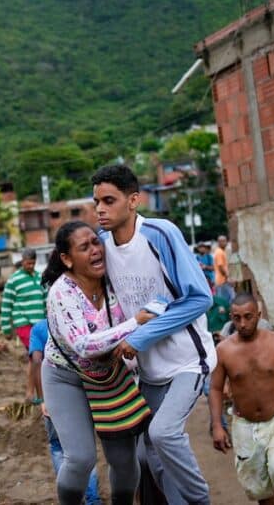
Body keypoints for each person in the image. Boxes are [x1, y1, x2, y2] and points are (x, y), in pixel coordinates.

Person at [92, 164, 216, 505]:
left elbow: (200, 297)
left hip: (188, 360)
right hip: (149, 369)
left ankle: (200, 500)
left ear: (134, 201)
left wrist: (141, 336)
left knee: (164, 434)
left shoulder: (160, 234)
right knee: (149, 455)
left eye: (109, 200)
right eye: (96, 202)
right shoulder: (101, 245)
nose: (100, 209)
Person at [40, 220, 156, 505]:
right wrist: (135, 322)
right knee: (81, 459)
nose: (95, 250)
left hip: (111, 376)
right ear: (67, 259)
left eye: (96, 242)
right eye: (84, 247)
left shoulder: (114, 280)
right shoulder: (61, 293)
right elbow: (83, 345)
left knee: (126, 463)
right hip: (65, 377)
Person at [210, 293, 274, 505]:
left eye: (248, 317)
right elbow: (216, 388)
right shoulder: (224, 350)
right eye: (237, 318)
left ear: (258, 315)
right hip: (244, 426)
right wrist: (217, 425)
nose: (242, 323)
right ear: (231, 317)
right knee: (260, 489)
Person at [28, 319, 102, 505]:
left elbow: (37, 360)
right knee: (85, 449)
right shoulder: (81, 323)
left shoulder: (39, 328)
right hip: (83, 392)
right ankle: (93, 499)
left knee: (59, 448)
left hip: (54, 393)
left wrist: (42, 398)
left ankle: (72, 499)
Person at [0, 248, 46, 400]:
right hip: (24, 323)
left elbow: (46, 301)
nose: (30, 266)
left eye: (32, 263)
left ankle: (31, 392)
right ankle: (35, 394)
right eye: (27, 263)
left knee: (37, 359)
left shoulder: (40, 277)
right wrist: (6, 327)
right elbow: (6, 304)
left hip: (39, 325)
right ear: (22, 261)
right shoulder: (14, 280)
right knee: (36, 357)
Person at [213, 236, 235, 303]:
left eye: (226, 241)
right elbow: (220, 266)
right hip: (222, 281)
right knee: (230, 299)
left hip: (221, 280)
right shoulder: (219, 252)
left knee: (225, 300)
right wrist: (228, 278)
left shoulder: (219, 251)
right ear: (219, 242)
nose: (226, 243)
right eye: (224, 241)